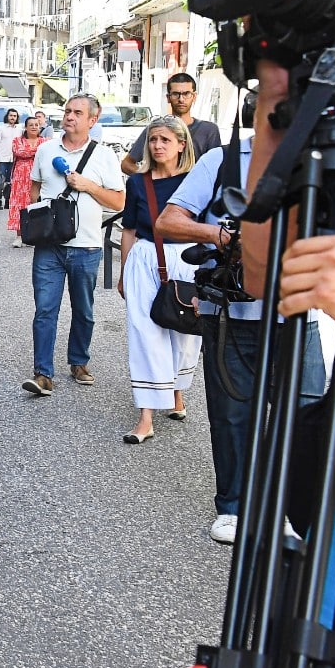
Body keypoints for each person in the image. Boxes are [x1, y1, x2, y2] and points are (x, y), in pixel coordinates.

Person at [155, 130, 327, 543]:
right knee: (232, 416)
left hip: (298, 314)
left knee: (303, 416)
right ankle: (233, 507)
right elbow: (168, 221)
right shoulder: (224, 159)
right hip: (230, 311)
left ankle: (290, 510)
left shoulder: (322, 156)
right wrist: (223, 237)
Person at [23, 94, 126, 397]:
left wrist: (89, 186)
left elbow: (119, 201)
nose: (69, 116)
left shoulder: (104, 155)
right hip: (49, 246)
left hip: (87, 246)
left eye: (78, 112)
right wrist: (38, 222)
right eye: (67, 111)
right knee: (45, 310)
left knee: (84, 310)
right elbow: (34, 189)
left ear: (93, 120)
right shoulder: (45, 150)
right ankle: (43, 374)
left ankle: (79, 361)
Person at [116, 116, 198, 443]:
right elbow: (129, 230)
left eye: (165, 140)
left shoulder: (195, 180)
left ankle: (176, 392)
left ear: (181, 144)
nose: (158, 146)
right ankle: (146, 415)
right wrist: (123, 273)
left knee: (186, 330)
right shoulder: (139, 182)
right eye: (153, 140)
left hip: (187, 257)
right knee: (144, 332)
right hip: (146, 256)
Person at [120, 72, 223, 176]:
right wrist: (151, 181)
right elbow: (127, 164)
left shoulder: (209, 130)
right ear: (168, 97)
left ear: (194, 96)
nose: (181, 99)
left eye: (186, 94)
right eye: (175, 94)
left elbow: (216, 169)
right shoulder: (156, 130)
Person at [7, 115, 46, 247]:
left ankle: (35, 234)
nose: (34, 127)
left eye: (36, 125)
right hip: (20, 176)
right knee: (19, 204)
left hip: (39, 176)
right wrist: (36, 151)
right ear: (26, 127)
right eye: (31, 125)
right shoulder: (18, 140)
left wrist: (33, 151)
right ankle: (19, 235)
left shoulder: (44, 141)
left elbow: (45, 153)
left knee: (36, 203)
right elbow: (19, 152)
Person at [0, 107, 25, 209]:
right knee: (0, 182)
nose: (12, 118)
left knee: (11, 181)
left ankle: (7, 201)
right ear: (7, 116)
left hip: (14, 159)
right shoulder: (1, 129)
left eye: (14, 116)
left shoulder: (20, 130)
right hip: (2, 159)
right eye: (11, 115)